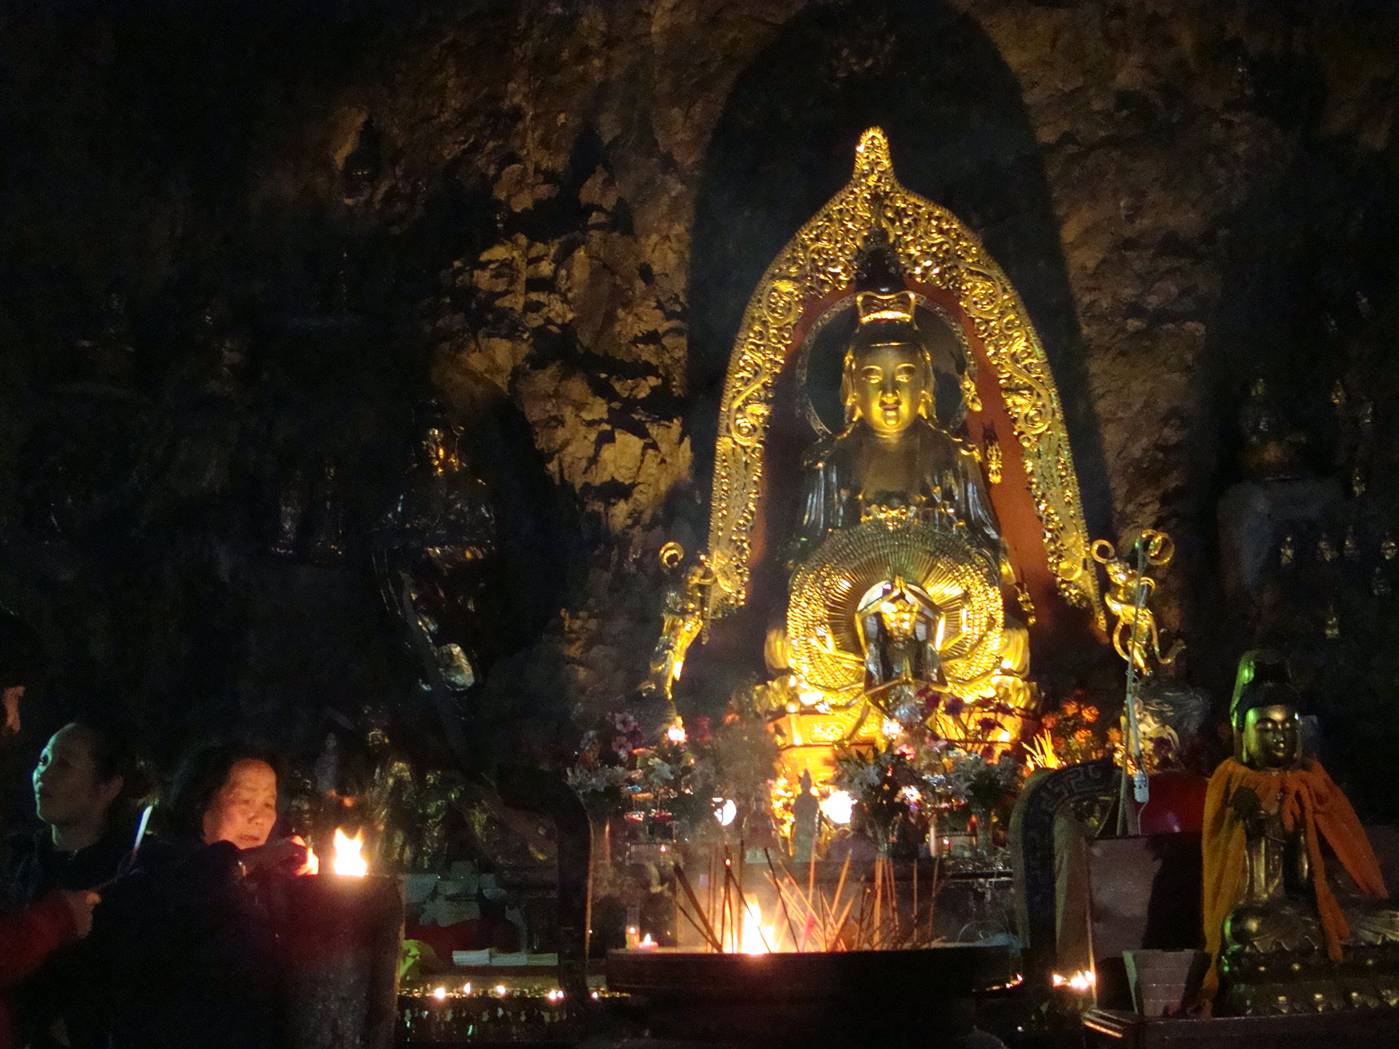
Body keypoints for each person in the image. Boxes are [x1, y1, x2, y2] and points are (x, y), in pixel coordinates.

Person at [81, 742, 307, 1049]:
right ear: (200, 801)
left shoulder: (268, 886)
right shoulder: (158, 863)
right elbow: (169, 901)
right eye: (244, 800)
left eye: (268, 803)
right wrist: (245, 861)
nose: (259, 817)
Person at [3, 722, 138, 1049]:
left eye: (64, 764)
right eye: (43, 761)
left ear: (108, 787)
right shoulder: (14, 858)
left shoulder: (132, 870)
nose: (43, 775)